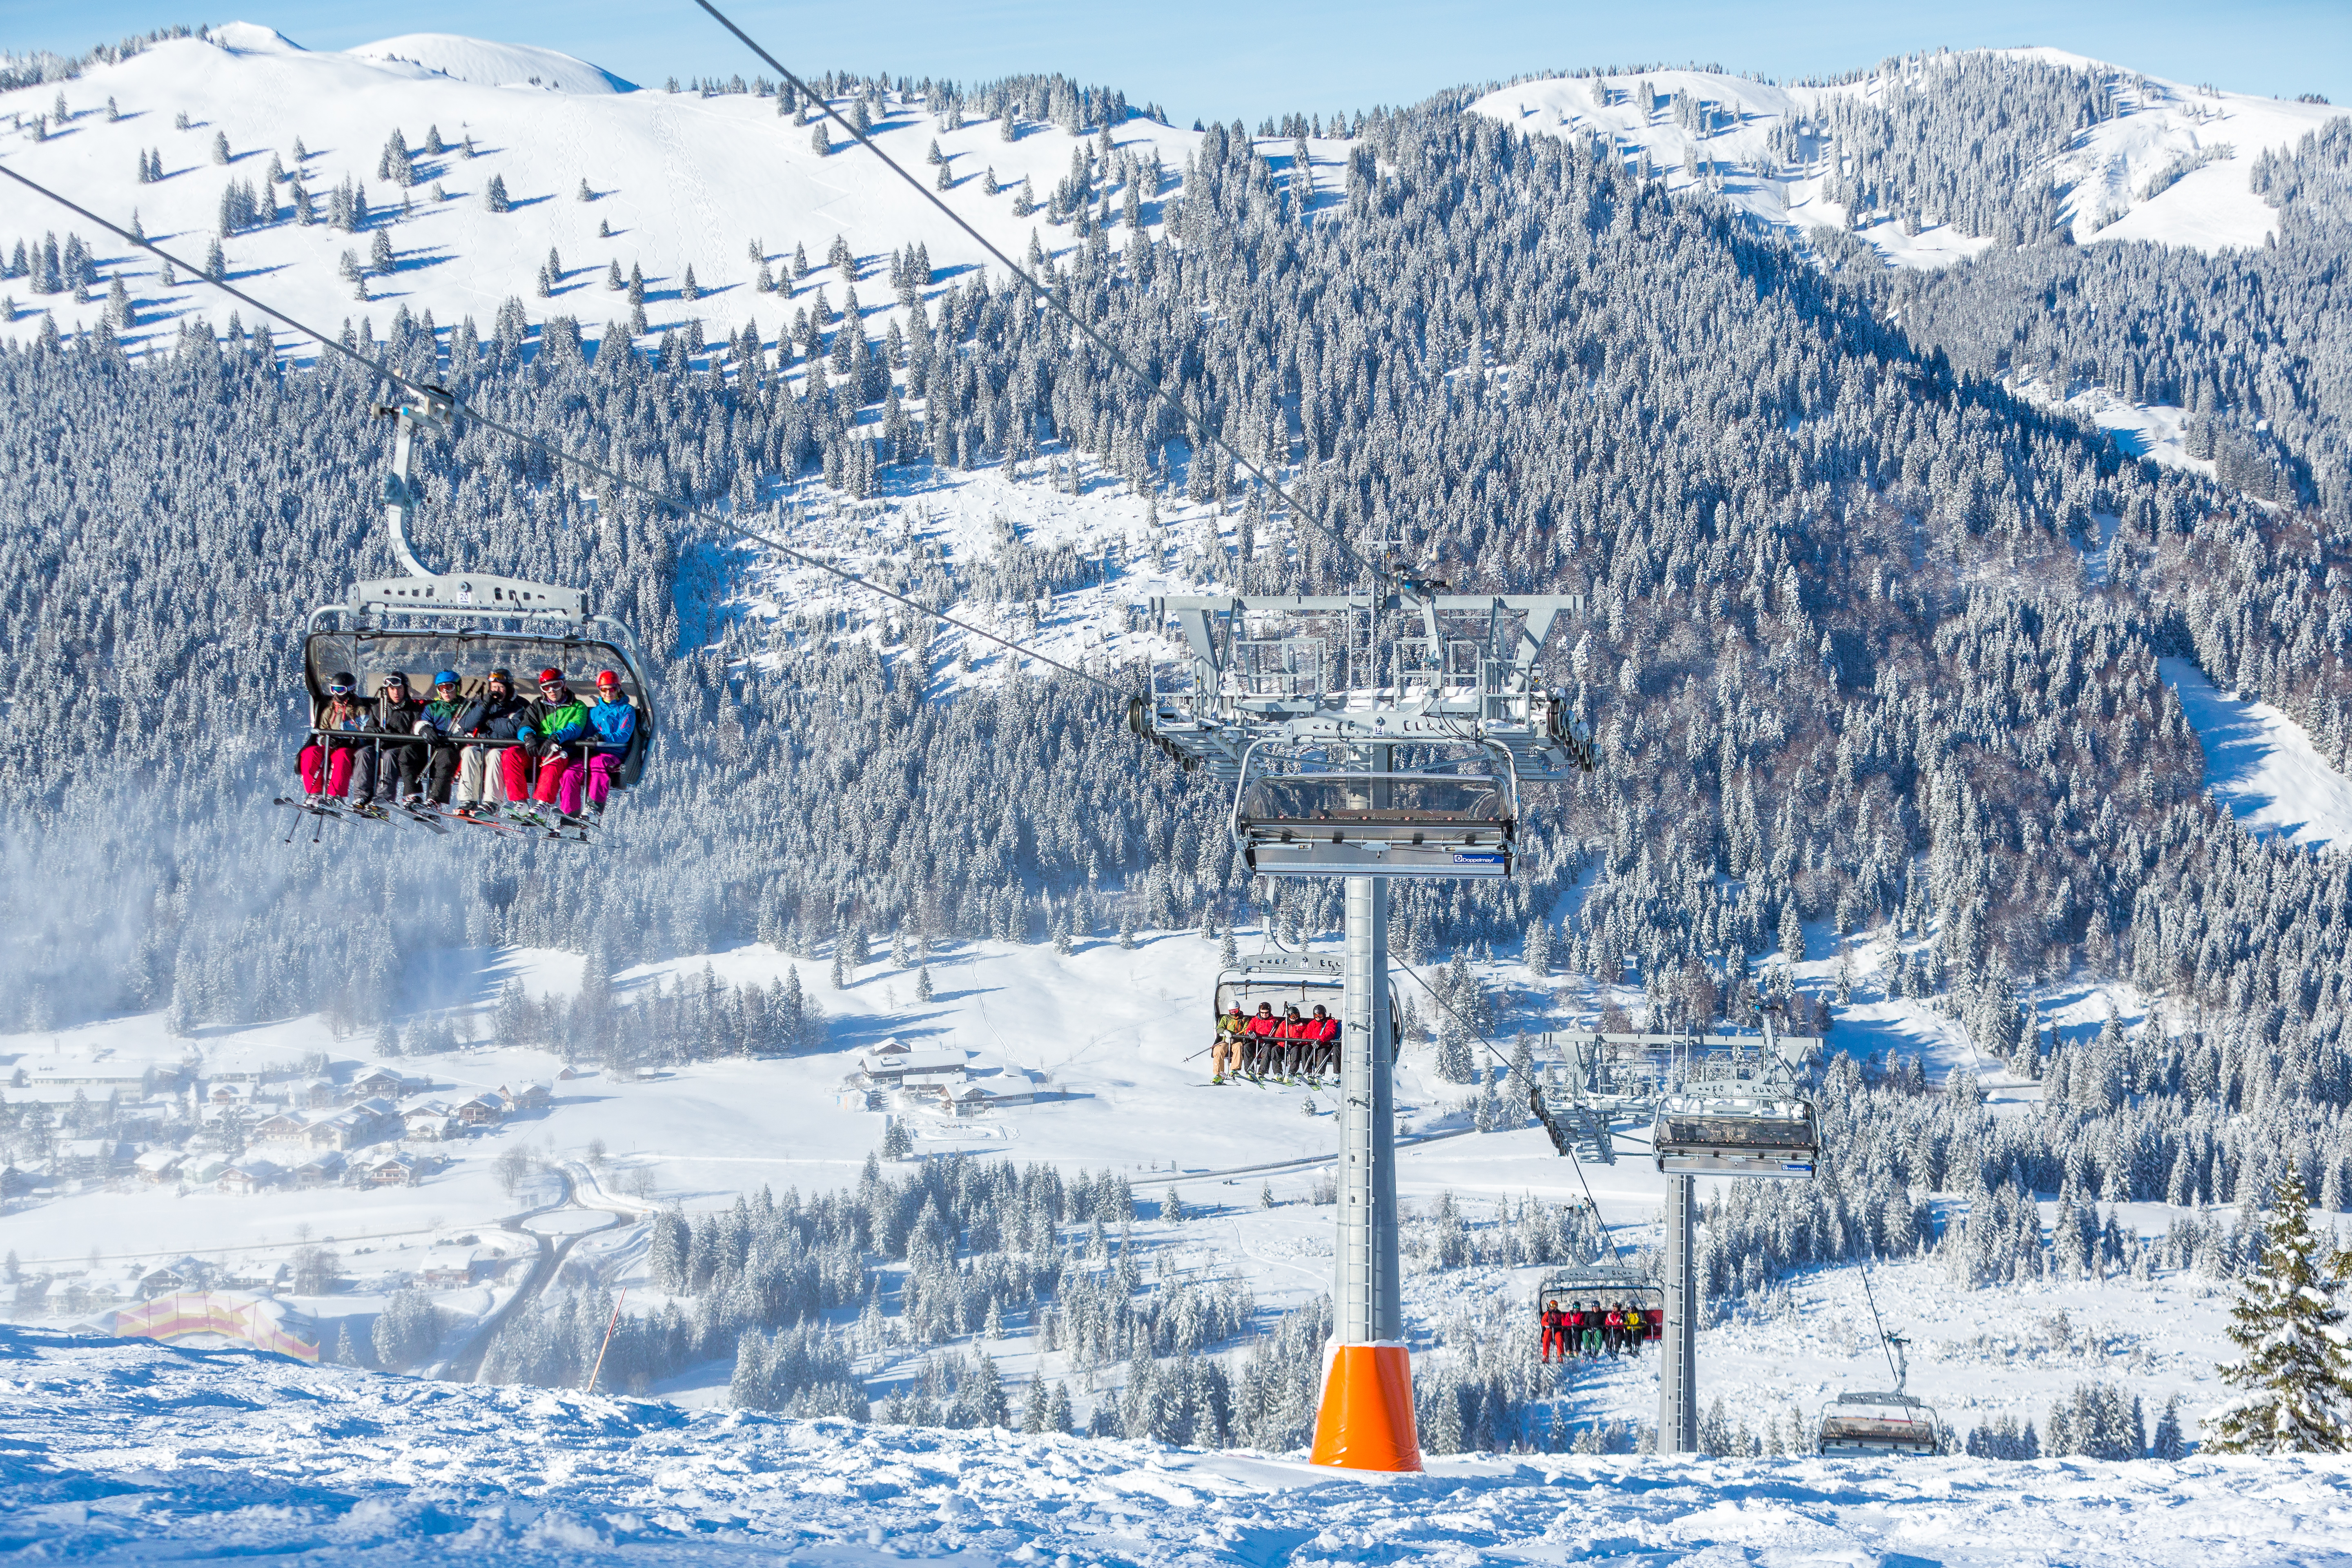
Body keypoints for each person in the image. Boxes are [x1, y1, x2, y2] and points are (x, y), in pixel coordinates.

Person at [452, 668, 531, 817]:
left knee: (496, 755)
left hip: (504, 748)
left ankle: (492, 802)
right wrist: (485, 706)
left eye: (501, 688)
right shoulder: (483, 703)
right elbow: (467, 725)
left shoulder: (520, 705)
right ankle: (467, 800)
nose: (497, 691)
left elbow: (513, 730)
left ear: (508, 688)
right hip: (483, 746)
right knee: (469, 752)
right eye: (494, 688)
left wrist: (490, 722)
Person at [517, 668, 594, 822]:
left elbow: (575, 728)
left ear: (564, 685)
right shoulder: (538, 706)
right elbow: (525, 725)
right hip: (538, 751)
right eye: (547, 688)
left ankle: (543, 805)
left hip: (561, 751)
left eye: (556, 686)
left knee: (557, 761)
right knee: (511, 754)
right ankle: (519, 802)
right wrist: (529, 737)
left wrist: (556, 737)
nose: (552, 691)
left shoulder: (578, 707)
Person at [350, 672, 425, 810]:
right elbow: (368, 730)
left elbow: (416, 732)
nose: (396, 693)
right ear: (387, 690)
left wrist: (394, 735)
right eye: (392, 689)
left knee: (389, 755)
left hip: (399, 748)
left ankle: (384, 797)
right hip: (380, 745)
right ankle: (362, 796)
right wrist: (373, 732)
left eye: (400, 689)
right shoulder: (379, 708)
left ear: (406, 689)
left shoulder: (414, 710)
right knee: (364, 753)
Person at [298, 671, 369, 800]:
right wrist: (325, 740)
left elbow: (366, 733)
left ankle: (336, 795)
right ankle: (315, 793)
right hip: (331, 746)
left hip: (350, 748)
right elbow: (321, 733)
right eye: (333, 689)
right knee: (310, 753)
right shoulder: (329, 710)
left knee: (343, 756)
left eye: (340, 690)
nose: (336, 694)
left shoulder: (360, 710)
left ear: (350, 690)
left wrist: (353, 741)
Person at [584, 669, 638, 816]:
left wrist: (602, 738)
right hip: (596, 752)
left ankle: (595, 808)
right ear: (599, 690)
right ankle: (571, 814)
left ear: (619, 689)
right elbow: (588, 734)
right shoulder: (595, 712)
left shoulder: (626, 710)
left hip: (615, 755)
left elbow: (624, 735)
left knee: (599, 763)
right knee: (572, 769)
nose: (608, 693)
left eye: (612, 689)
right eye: (604, 690)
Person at [414, 671, 468, 807]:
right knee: (408, 752)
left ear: (458, 688)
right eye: (441, 688)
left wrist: (461, 735)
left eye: (449, 687)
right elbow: (424, 722)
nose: (446, 692)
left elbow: (472, 725)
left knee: (445, 758)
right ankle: (413, 796)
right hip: (434, 746)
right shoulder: (433, 708)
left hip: (453, 748)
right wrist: (425, 730)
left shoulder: (466, 707)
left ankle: (435, 800)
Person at [1213, 1005, 1248, 1082]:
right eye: (1232, 1011)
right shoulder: (1226, 1018)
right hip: (1227, 1041)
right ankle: (1219, 1074)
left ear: (1239, 1009)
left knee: (1239, 1047)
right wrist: (1225, 1032)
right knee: (1219, 1050)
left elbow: (1247, 1029)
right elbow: (1219, 1028)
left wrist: (1239, 1036)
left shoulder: (1244, 1019)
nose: (1234, 1013)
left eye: (1235, 1011)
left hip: (1238, 1040)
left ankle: (1234, 1070)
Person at [1244, 1002, 1281, 1077]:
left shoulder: (1273, 1021)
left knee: (1267, 1049)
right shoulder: (1255, 1020)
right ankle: (1250, 1070)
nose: (1264, 1015)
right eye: (1262, 1013)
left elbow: (1278, 1033)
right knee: (1247, 1047)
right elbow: (1249, 1029)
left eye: (1267, 1013)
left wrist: (1271, 1039)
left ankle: (1262, 1071)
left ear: (1270, 1012)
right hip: (1256, 1042)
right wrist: (1250, 1032)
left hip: (1267, 1043)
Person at [1308, 1004, 1340, 1076]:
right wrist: (1312, 1041)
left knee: (1323, 1052)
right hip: (1315, 1045)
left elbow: (1331, 1033)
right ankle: (1308, 1072)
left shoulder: (1329, 1022)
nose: (1318, 1018)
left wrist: (1321, 1040)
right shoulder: (1312, 1024)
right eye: (1316, 1016)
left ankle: (1319, 1073)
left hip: (1325, 1044)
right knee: (1305, 1049)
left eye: (1321, 1016)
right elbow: (1308, 1035)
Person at [1277, 1005, 1309, 1076]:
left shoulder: (1302, 1025)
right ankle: (1278, 1072)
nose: (1294, 1018)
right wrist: (1284, 1044)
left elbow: (1305, 1038)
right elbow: (1278, 1036)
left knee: (1295, 1051)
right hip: (1285, 1046)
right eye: (1292, 1017)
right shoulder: (1284, 1024)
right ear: (1288, 1017)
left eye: (1296, 1016)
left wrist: (1298, 1043)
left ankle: (1292, 1072)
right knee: (1275, 1050)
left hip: (1296, 1046)